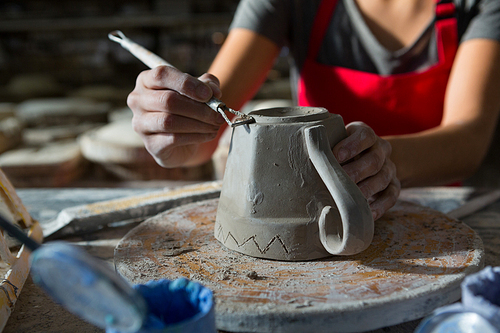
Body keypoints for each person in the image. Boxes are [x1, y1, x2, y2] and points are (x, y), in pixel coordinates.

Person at [127, 0, 500, 221]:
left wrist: (382, 160)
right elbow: (205, 133)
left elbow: (469, 138)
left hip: (432, 211)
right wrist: (175, 126)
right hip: (313, 212)